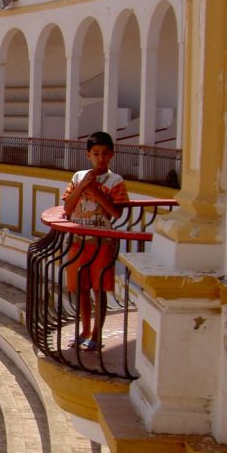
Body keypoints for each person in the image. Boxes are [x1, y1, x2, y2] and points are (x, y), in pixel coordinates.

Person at [62, 131, 129, 351]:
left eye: (104, 154)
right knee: (81, 288)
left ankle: (97, 336)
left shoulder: (115, 181)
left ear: (111, 155)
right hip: (78, 240)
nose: (100, 158)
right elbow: (67, 207)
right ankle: (85, 330)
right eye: (96, 153)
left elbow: (116, 213)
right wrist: (83, 187)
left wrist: (95, 192)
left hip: (101, 242)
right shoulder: (78, 177)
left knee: (99, 289)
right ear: (88, 154)